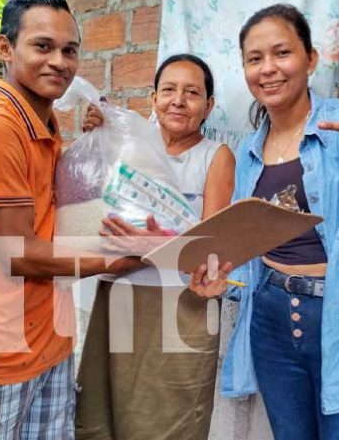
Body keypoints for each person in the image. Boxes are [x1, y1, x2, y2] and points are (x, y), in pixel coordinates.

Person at [190, 4, 339, 440]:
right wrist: (224, 282)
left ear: (311, 58)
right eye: (254, 58)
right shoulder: (250, 149)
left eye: (281, 53)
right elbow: (251, 244)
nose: (268, 69)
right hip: (271, 319)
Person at [0, 0, 144, 440]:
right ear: (5, 48)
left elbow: (58, 213)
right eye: (43, 46)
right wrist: (116, 262)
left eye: (70, 50)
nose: (60, 62)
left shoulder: (42, 124)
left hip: (48, 342)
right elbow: (20, 254)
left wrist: (99, 146)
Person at [75, 54, 235, 440]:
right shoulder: (131, 150)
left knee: (169, 419)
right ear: (153, 98)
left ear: (208, 106)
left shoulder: (215, 157)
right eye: (169, 90)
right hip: (118, 295)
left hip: (182, 307)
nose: (178, 100)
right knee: (104, 412)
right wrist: (98, 135)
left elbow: (212, 248)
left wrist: (157, 244)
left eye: (192, 92)